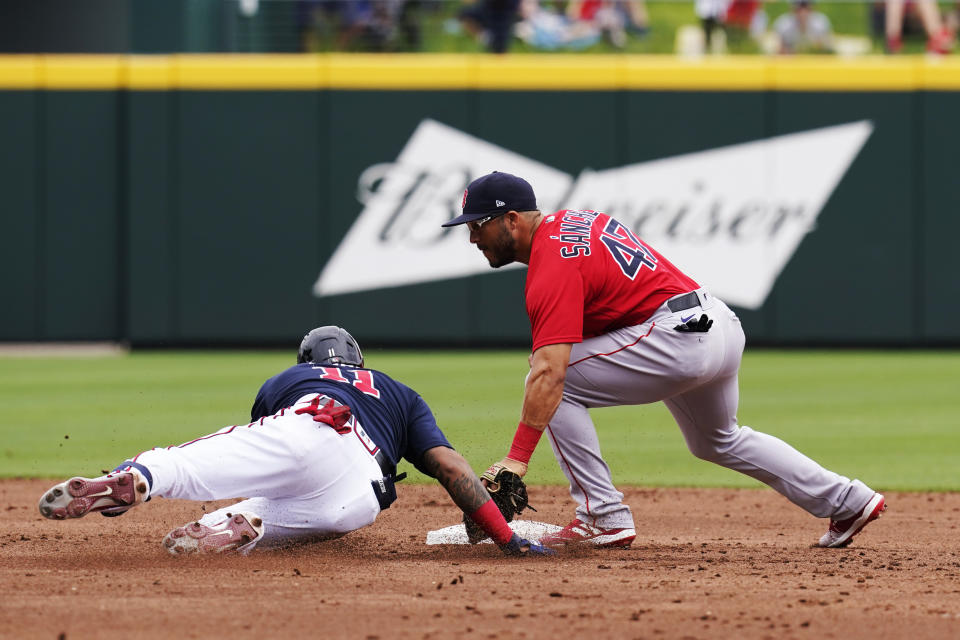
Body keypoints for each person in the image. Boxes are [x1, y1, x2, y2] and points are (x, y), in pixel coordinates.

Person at [440, 171, 886, 550]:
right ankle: (845, 501)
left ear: (512, 219)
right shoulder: (577, 221)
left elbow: (550, 371)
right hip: (716, 325)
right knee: (717, 439)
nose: (473, 236)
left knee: (556, 379)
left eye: (478, 225)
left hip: (676, 339)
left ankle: (603, 515)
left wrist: (517, 459)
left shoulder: (551, 264)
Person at [38, 326, 552, 557]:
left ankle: (136, 478)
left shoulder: (290, 377)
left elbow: (271, 458)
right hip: (361, 494)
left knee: (191, 463)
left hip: (312, 424)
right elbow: (450, 468)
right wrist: (507, 538)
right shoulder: (401, 393)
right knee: (307, 513)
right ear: (359, 358)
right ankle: (238, 526)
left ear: (310, 358)